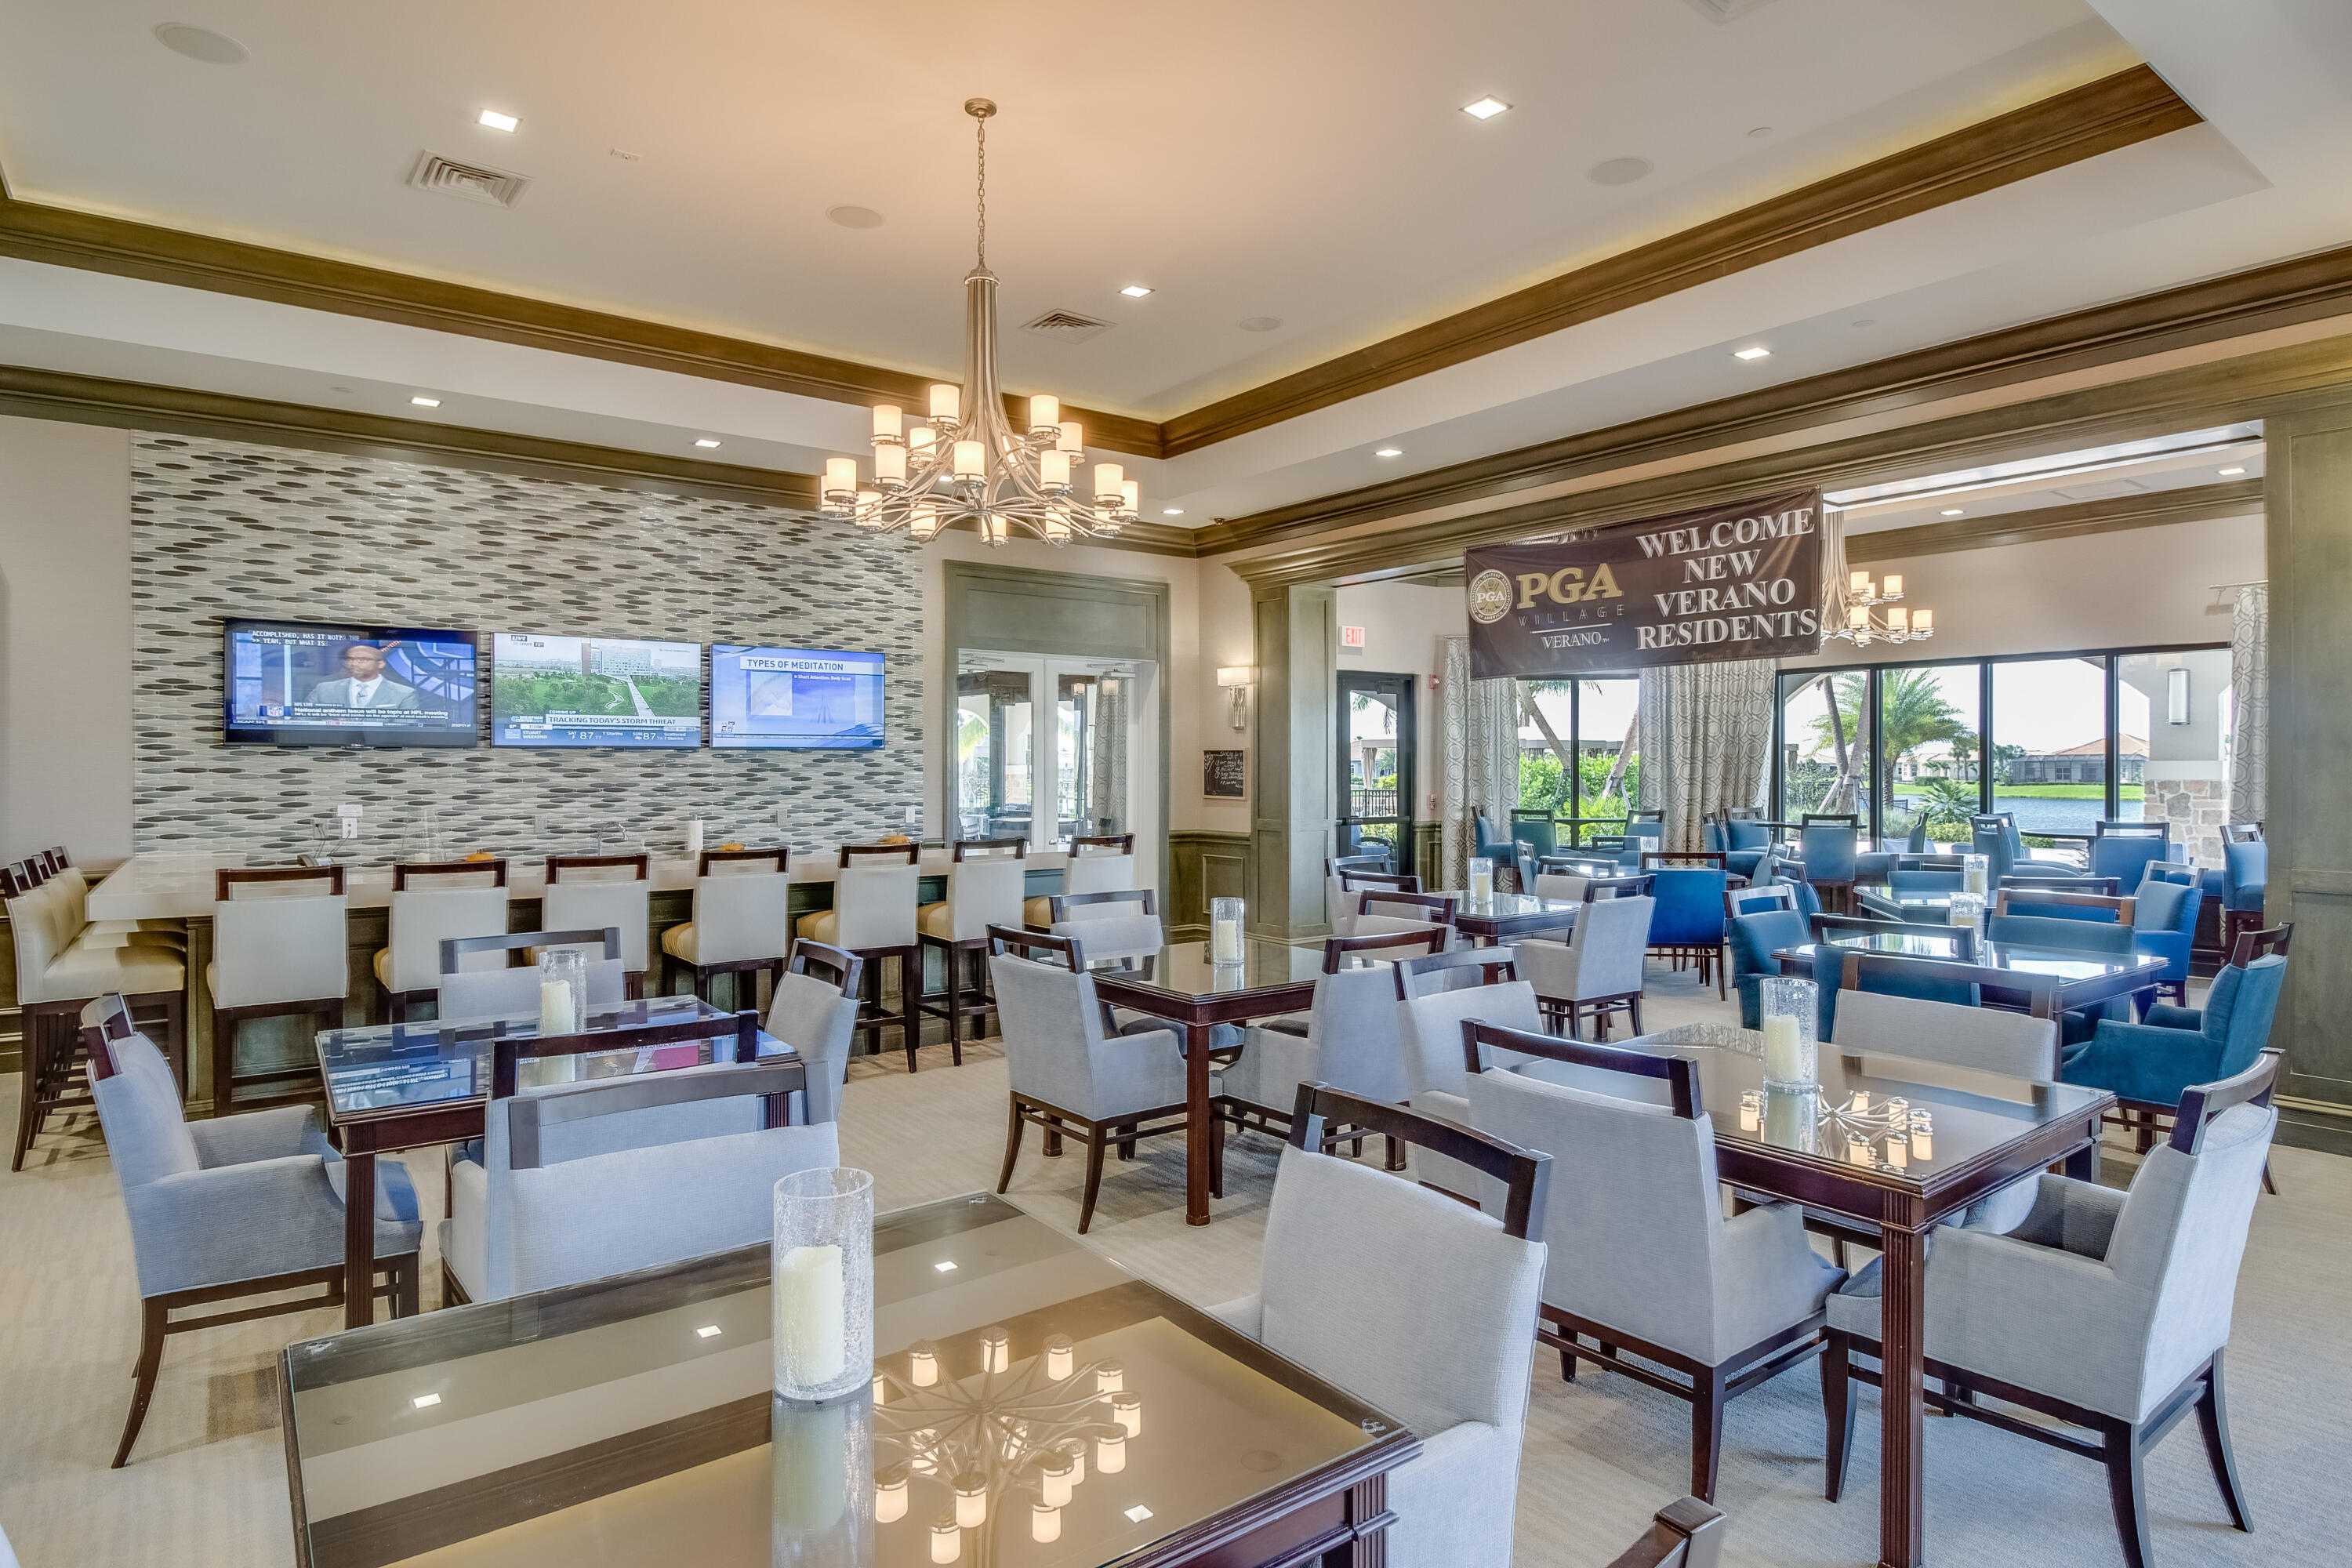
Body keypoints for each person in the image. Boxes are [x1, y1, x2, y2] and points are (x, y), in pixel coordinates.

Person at [303, 642, 419, 710]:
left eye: (362, 660)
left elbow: (404, 728)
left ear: (381, 663)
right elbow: (303, 722)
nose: (353, 664)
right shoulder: (324, 688)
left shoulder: (404, 692)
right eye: (350, 659)